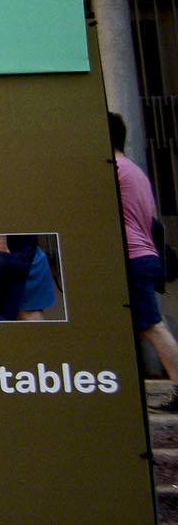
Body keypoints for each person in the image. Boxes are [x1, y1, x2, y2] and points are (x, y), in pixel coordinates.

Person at [115, 114, 178, 390]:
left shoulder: (114, 169)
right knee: (147, 324)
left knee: (152, 326)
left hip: (133, 257)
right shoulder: (134, 170)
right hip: (146, 254)